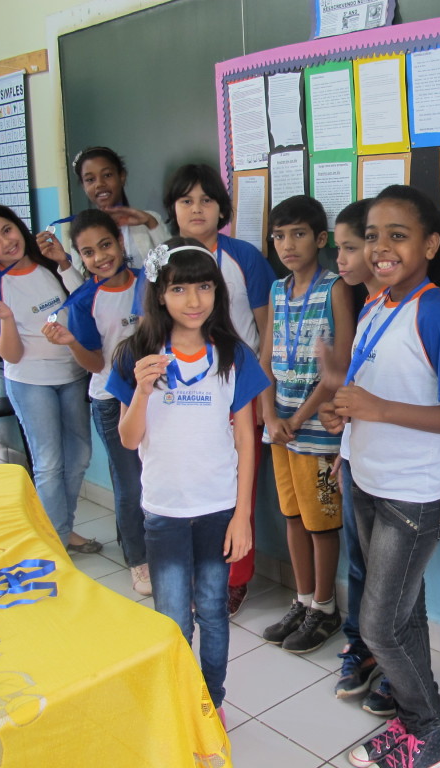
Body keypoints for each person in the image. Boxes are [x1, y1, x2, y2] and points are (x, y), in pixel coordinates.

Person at [325, 185, 440, 768]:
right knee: (402, 612)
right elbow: (373, 392)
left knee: (379, 624)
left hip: (414, 496)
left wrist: (378, 410)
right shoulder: (377, 304)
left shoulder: (437, 313)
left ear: (430, 243)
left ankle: (430, 730)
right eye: (372, 236)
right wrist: (344, 418)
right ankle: (416, 722)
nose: (381, 247)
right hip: (369, 480)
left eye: (398, 235)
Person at [107, 238, 268, 724]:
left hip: (219, 509)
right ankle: (179, 701)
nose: (194, 300)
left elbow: (245, 438)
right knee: (173, 618)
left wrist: (243, 516)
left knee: (214, 614)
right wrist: (139, 389)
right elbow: (130, 440)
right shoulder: (135, 353)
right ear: (159, 294)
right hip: (164, 512)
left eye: (204, 287)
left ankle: (210, 703)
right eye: (179, 288)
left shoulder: (233, 355)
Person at [162, 163, 277, 616]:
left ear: (221, 208)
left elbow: (267, 329)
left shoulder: (243, 256)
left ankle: (235, 576)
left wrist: (262, 395)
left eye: (206, 199)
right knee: (189, 483)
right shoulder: (164, 260)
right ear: (173, 208)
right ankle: (193, 570)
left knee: (235, 487)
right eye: (186, 200)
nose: (196, 208)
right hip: (179, 395)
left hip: (236, 391)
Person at [0, 204, 98, 553]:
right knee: (49, 463)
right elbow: (12, 356)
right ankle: (54, 542)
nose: (6, 243)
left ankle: (59, 529)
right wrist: (5, 318)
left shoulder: (49, 264)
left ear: (18, 226)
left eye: (7, 230)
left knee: (79, 455)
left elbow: (85, 302)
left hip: (72, 373)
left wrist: (65, 262)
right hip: (30, 382)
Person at [259, 195, 354, 653]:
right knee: (292, 517)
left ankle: (326, 606)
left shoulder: (334, 287)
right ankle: (302, 599)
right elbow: (264, 357)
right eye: (279, 236)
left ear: (321, 239)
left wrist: (296, 417)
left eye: (298, 234)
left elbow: (340, 363)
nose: (287, 244)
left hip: (314, 430)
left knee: (321, 525)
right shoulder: (277, 291)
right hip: (279, 428)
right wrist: (269, 415)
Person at [44, 209, 149, 595]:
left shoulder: (149, 284)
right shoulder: (84, 301)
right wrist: (71, 342)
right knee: (130, 484)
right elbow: (95, 363)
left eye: (106, 245)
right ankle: (138, 561)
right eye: (88, 252)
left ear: (121, 243)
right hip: (110, 400)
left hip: (156, 398)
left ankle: (159, 550)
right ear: (80, 259)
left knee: (157, 478)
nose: (100, 256)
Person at [329, 198, 396, 714]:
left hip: (398, 474)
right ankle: (361, 647)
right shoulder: (360, 305)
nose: (349, 258)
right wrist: (341, 443)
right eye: (350, 247)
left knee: (396, 576)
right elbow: (352, 389)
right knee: (359, 561)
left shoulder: (413, 309)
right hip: (356, 457)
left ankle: (396, 663)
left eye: (358, 245)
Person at [35, 145, 167, 270]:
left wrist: (151, 223)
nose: (100, 184)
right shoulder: (80, 232)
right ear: (83, 186)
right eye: (90, 180)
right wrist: (63, 262)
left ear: (121, 176)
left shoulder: (150, 219)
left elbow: (174, 265)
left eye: (107, 175)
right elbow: (82, 290)